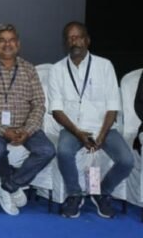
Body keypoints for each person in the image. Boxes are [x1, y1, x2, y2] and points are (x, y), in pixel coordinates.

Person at [0, 23, 55, 216]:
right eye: (2, 40)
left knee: (47, 150)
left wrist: (28, 130)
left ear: (18, 44)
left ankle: (8, 186)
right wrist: (3, 130)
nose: (7, 44)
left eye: (12, 40)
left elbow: (39, 104)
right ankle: (10, 183)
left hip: (24, 125)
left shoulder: (29, 69)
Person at [49, 21, 133, 218]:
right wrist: (78, 133)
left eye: (78, 37)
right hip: (73, 128)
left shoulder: (104, 66)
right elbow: (56, 110)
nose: (74, 41)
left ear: (87, 40)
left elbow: (112, 106)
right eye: (70, 38)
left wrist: (102, 135)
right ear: (65, 43)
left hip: (104, 127)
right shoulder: (57, 69)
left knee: (127, 160)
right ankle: (75, 194)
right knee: (63, 152)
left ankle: (102, 192)